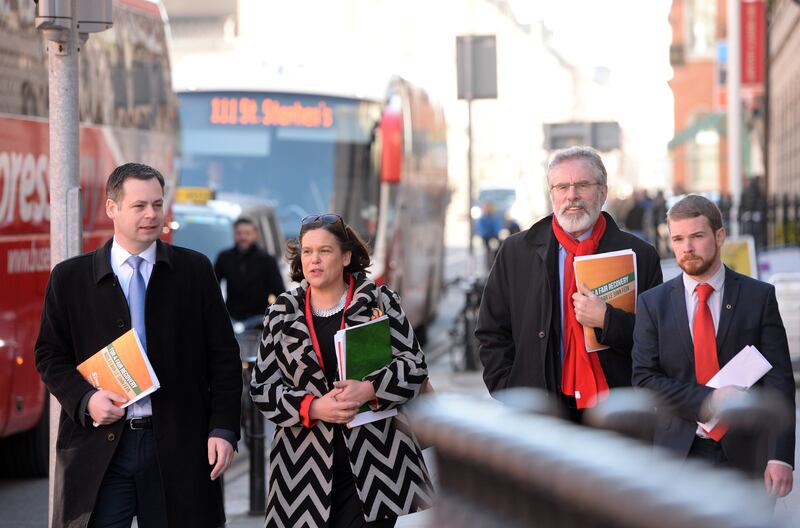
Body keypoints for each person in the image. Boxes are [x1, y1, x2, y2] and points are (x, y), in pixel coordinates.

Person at [35, 163, 242, 528]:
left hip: (178, 447)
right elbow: (50, 356)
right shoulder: (70, 278)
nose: (151, 215)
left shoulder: (194, 272)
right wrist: (85, 400)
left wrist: (223, 429)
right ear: (111, 208)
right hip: (99, 449)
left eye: (157, 205)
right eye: (139, 205)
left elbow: (223, 357)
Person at [250, 213, 433, 527]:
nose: (314, 260)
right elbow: (263, 389)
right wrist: (313, 407)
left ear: (346, 256)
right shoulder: (282, 311)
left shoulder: (379, 301)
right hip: (303, 469)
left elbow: (414, 367)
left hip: (375, 463)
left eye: (325, 251)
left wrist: (370, 389)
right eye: (307, 251)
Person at [476, 146, 662, 419]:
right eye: (562, 186)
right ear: (551, 194)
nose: (572, 195)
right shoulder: (516, 252)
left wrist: (608, 320)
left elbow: (656, 340)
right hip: (540, 412)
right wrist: (511, 390)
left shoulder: (639, 255)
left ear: (603, 191)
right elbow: (492, 332)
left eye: (582, 185)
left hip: (614, 413)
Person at [632, 194, 795, 497]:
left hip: (749, 453)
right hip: (678, 455)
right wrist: (711, 399)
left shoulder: (758, 297)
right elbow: (644, 379)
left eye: (697, 236)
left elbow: (780, 381)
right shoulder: (652, 304)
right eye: (678, 238)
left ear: (719, 236)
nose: (687, 248)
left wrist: (781, 456)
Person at [214, 217, 284, 320]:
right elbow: (213, 286)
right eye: (239, 233)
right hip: (232, 318)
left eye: (247, 233)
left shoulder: (267, 260)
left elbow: (279, 292)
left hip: (259, 320)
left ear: (255, 235)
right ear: (234, 234)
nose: (243, 237)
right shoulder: (224, 257)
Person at [476, 201, 502, 270]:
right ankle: (489, 267)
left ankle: (495, 266)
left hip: (494, 237)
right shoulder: (482, 218)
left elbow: (497, 227)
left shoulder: (494, 217)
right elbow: (482, 230)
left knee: (496, 252)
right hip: (487, 238)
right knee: (488, 253)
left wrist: (495, 234)